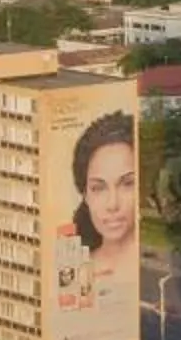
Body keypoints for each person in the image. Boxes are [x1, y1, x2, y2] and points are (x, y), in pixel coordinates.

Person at [57, 111, 141, 317]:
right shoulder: (73, 269)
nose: (112, 204)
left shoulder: (158, 271)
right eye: (98, 188)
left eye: (127, 184)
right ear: (85, 194)